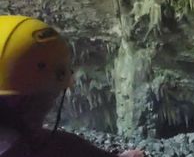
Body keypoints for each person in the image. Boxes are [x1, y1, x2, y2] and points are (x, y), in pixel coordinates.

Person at [0, 15, 144, 157]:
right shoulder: (14, 148)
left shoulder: (20, 136)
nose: (52, 103)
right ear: (28, 100)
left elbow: (55, 144)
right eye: (52, 95)